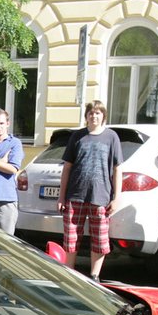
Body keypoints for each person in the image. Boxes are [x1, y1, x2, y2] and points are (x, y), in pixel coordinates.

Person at [57, 100, 122, 281]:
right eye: (91, 113)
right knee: (71, 238)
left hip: (100, 196)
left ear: (103, 116)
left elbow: (118, 169)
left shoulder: (111, 137)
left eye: (98, 113)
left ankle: (94, 276)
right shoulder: (77, 136)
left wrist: (117, 197)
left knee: (99, 239)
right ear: (86, 116)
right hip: (75, 195)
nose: (94, 116)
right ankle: (69, 274)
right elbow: (67, 168)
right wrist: (61, 197)